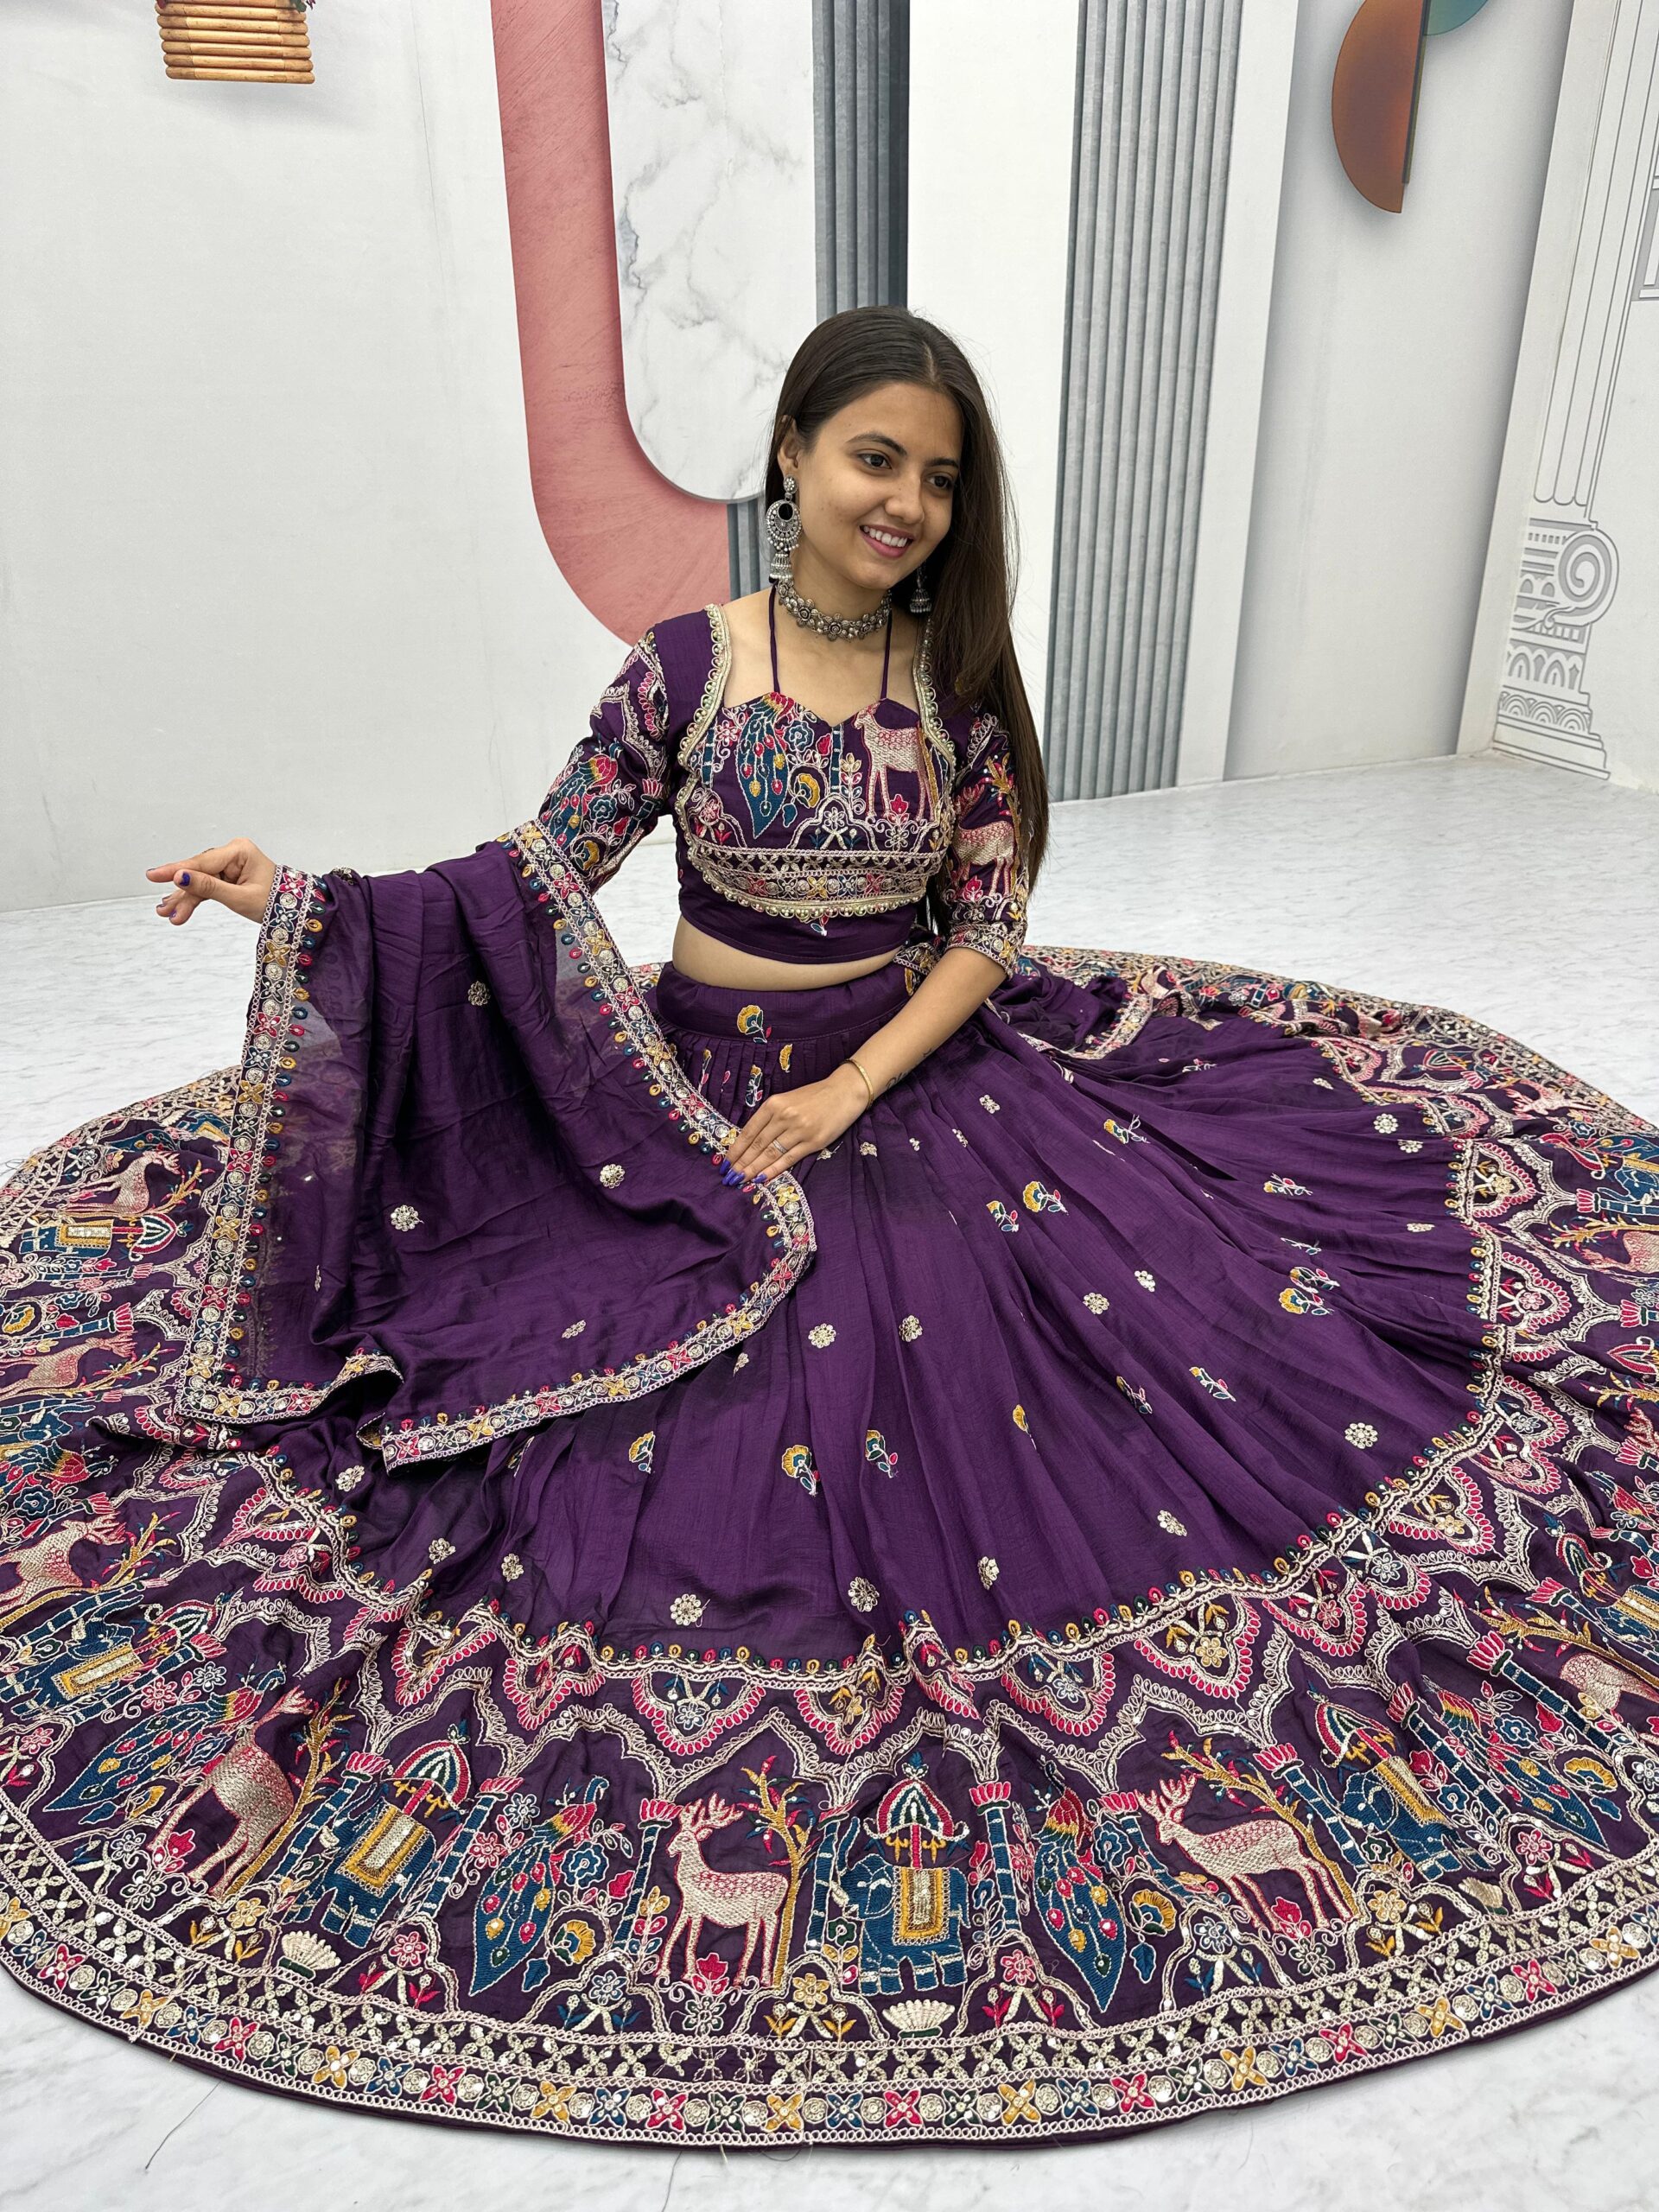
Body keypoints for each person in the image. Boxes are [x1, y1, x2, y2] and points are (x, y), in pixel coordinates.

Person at [3, 305, 1657, 2151]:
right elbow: (538, 886)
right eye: (877, 458)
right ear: (790, 454)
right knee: (570, 1397)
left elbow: (989, 933)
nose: (907, 503)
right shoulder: (685, 670)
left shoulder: (958, 690)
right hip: (695, 1083)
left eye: (939, 477)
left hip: (909, 1083)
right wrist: (301, 900)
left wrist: (852, 1088)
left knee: (1097, 1373)